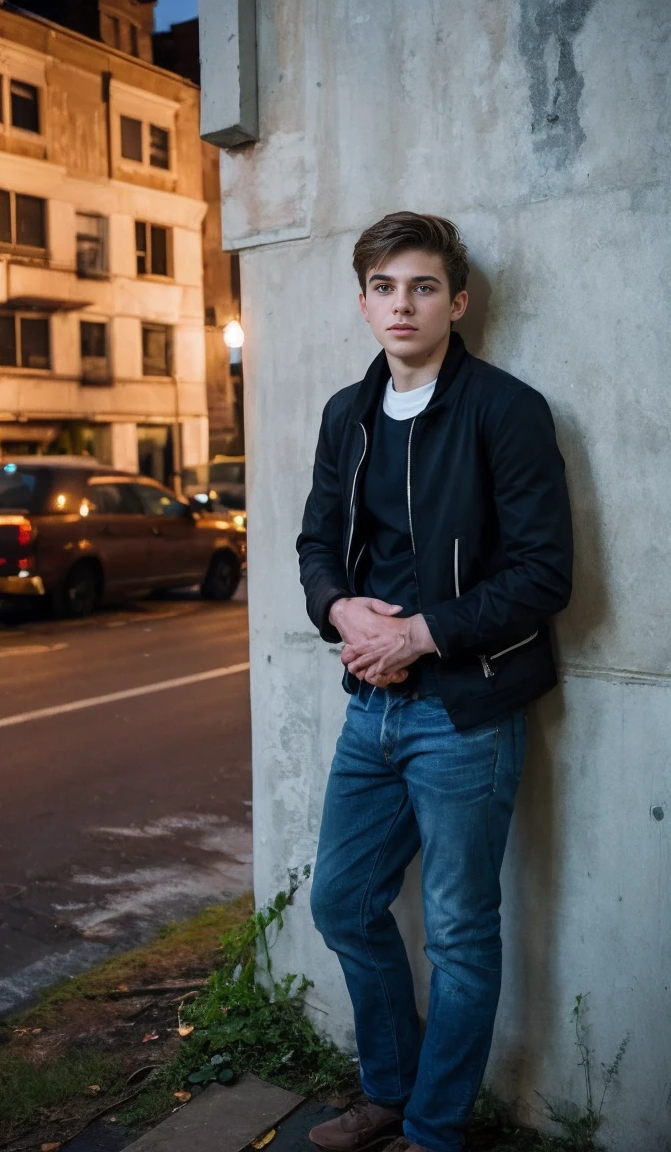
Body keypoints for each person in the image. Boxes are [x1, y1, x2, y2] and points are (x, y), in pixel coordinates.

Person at [296, 212, 573, 1152]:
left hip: (466, 711)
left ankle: (435, 1128)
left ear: (456, 301)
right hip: (370, 707)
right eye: (383, 286)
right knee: (342, 903)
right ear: (363, 301)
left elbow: (543, 575)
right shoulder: (349, 414)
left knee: (459, 930)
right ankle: (388, 1088)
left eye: (421, 286)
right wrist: (340, 612)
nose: (401, 303)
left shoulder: (506, 409)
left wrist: (418, 633)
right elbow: (314, 548)